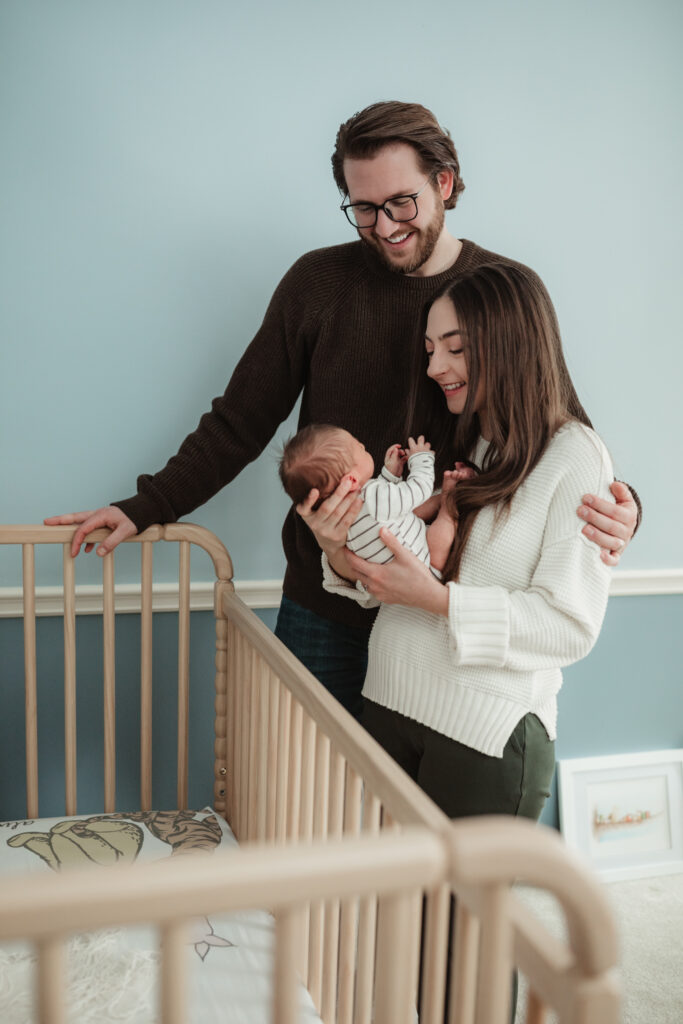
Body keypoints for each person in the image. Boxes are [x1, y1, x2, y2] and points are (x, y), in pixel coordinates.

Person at [45, 101, 639, 719]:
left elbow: (559, 433)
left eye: (400, 203)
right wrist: (147, 505)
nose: (384, 227)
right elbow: (240, 420)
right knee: (308, 804)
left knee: (405, 811)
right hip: (322, 607)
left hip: (434, 618)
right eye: (363, 209)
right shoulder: (317, 282)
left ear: (444, 182)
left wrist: (623, 510)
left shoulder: (504, 290)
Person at [307, 261, 614, 821]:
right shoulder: (467, 441)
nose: (435, 367)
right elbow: (406, 569)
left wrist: (438, 601)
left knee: (453, 913)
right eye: (430, 349)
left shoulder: (575, 456)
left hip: (483, 738)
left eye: (455, 348)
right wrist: (336, 550)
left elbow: (569, 624)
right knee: (378, 908)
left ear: (511, 345)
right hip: (389, 704)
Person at [279, 425, 473, 572]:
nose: (364, 445)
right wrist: (421, 459)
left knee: (410, 511)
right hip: (425, 566)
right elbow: (418, 490)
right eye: (359, 448)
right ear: (352, 479)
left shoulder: (350, 510)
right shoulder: (373, 497)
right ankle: (449, 500)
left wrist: (390, 475)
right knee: (432, 529)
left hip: (397, 568)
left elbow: (382, 514)